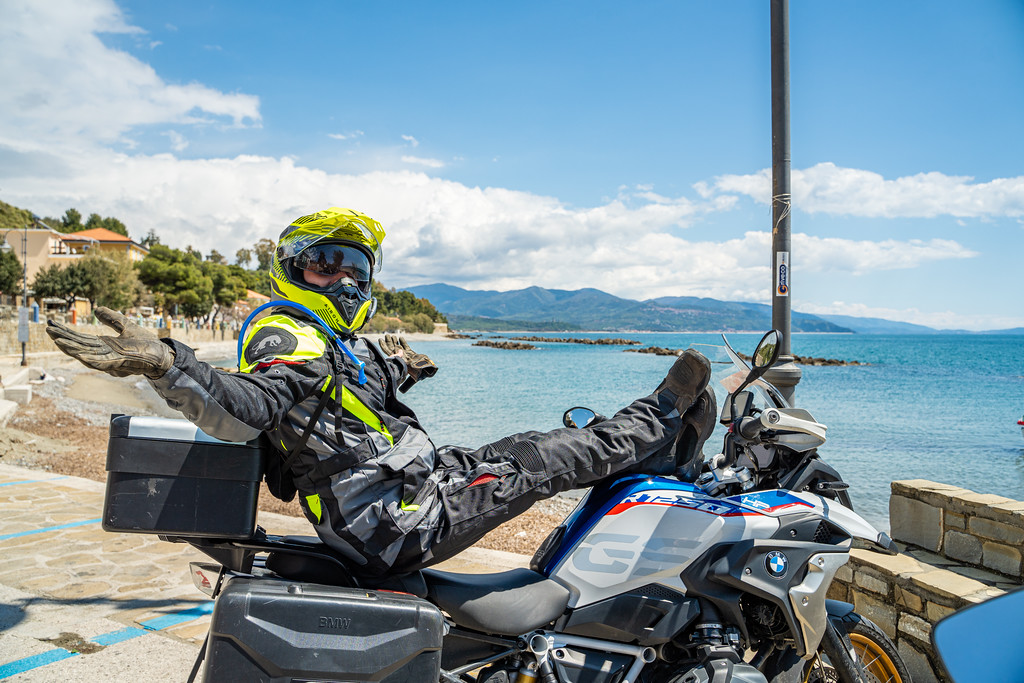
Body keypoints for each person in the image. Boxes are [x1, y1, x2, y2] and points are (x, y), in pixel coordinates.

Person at [46, 207, 718, 577]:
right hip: (395, 523)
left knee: (525, 444)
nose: (341, 279)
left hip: (403, 492)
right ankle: (660, 417)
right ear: (292, 269)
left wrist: (406, 365)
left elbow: (355, 386)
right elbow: (244, 407)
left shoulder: (327, 340)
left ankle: (655, 457)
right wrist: (167, 363)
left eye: (354, 268)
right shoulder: (289, 336)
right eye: (325, 262)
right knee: (546, 459)